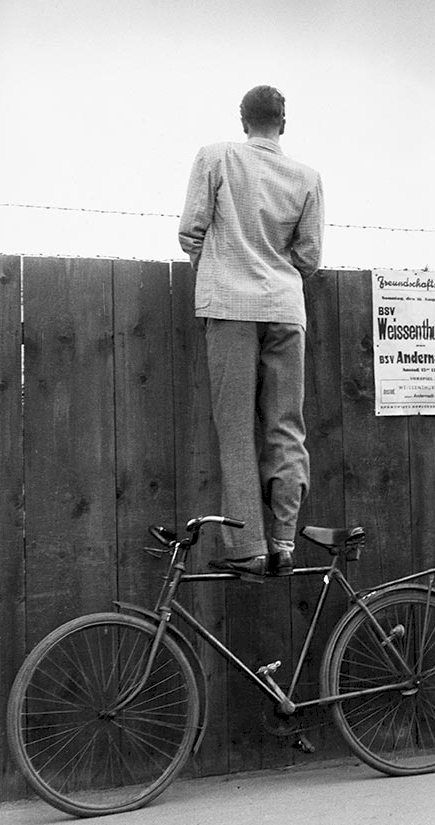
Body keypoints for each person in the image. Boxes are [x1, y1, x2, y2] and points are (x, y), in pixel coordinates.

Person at [178, 85, 325, 575]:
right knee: (286, 426)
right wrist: (276, 279)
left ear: (243, 120)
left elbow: (190, 232)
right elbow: (308, 257)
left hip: (230, 306)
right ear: (283, 122)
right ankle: (284, 539)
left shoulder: (215, 157)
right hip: (286, 309)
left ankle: (248, 549)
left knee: (236, 429)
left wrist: (222, 270)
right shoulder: (307, 177)